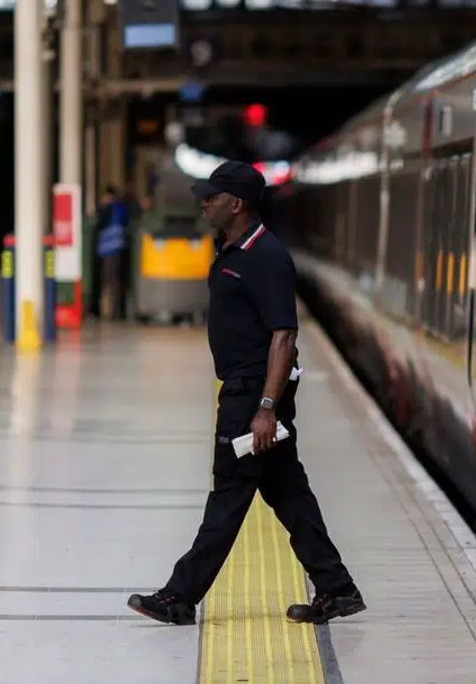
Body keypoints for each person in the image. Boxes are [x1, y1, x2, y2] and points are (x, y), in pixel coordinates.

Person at [127, 160, 365, 626]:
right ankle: (338, 590)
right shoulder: (234, 249)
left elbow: (284, 336)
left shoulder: (267, 258)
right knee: (289, 494)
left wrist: (265, 408)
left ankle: (179, 597)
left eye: (211, 197)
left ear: (236, 204)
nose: (204, 202)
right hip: (246, 392)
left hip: (252, 396)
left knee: (229, 495)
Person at [96, 185, 129, 320]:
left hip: (108, 250)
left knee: (109, 281)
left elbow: (100, 224)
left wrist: (102, 206)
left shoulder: (108, 208)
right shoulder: (122, 208)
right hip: (119, 248)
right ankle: (117, 311)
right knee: (116, 280)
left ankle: (110, 312)